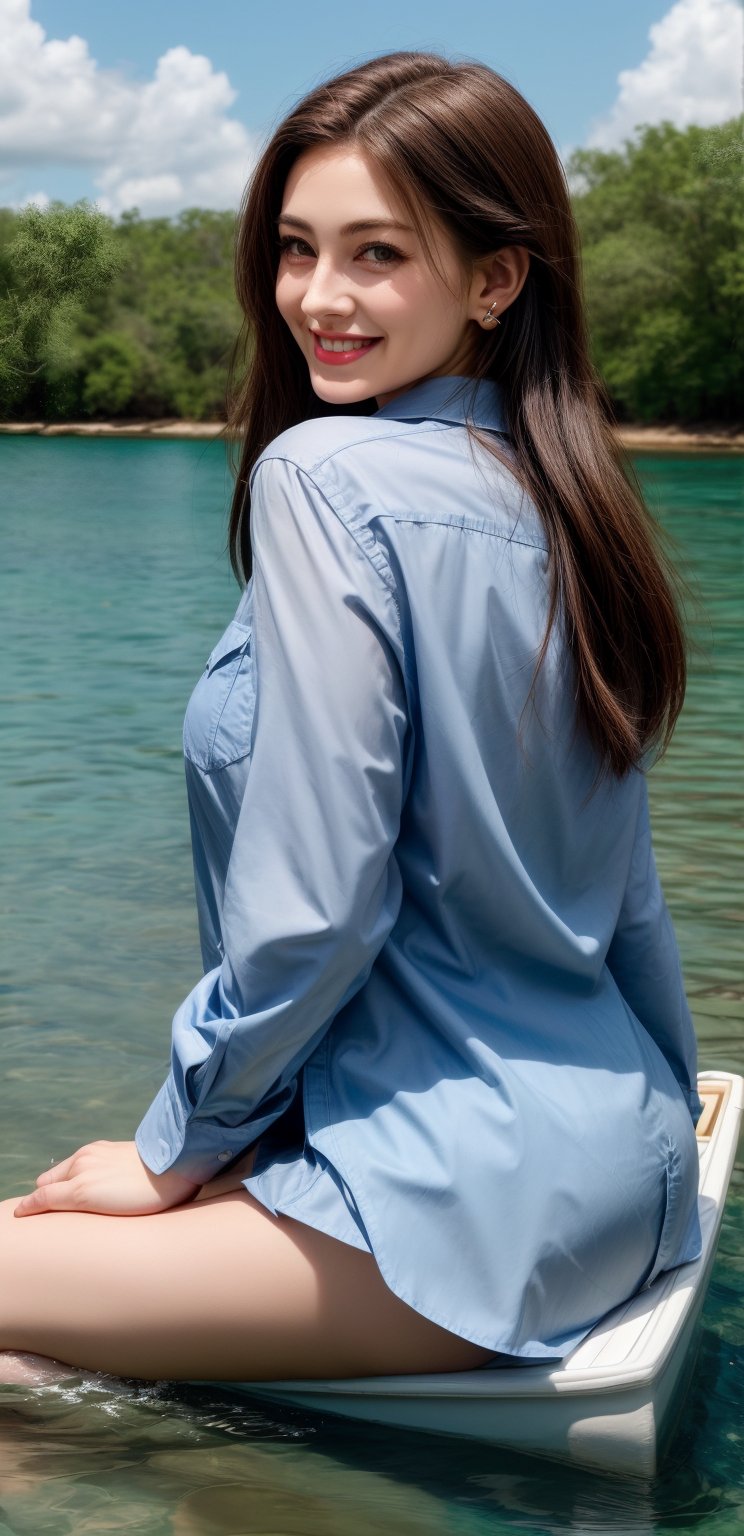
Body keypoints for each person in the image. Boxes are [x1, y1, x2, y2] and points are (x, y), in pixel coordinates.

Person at [0, 52, 702, 1386]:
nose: (320, 298)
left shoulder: (322, 475)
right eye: (295, 250)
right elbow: (627, 898)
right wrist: (669, 1107)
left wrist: (175, 1149)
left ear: (499, 279)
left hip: (449, 1209)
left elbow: (317, 909)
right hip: (622, 1174)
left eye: (378, 254)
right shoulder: (567, 500)